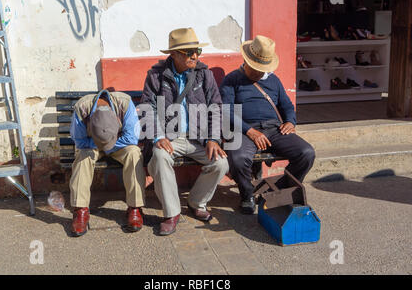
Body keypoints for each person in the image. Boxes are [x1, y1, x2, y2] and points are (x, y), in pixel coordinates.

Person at [141, 27, 229, 236]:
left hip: (198, 138)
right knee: (161, 156)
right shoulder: (156, 75)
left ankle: (197, 201)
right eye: (189, 52)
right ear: (173, 54)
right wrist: (157, 136)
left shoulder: (204, 75)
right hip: (169, 137)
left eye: (197, 50)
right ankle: (171, 213)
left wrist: (213, 138)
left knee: (221, 162)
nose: (195, 56)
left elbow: (215, 107)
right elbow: (147, 108)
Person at [220, 35, 315, 214]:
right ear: (246, 60)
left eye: (262, 69)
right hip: (243, 130)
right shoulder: (231, 80)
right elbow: (226, 111)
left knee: (307, 153)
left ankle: (282, 187)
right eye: (256, 68)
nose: (259, 73)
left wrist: (290, 121)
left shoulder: (273, 80)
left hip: (274, 128)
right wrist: (251, 131)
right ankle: (247, 195)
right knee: (238, 158)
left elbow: (286, 105)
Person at [69, 89, 146, 236]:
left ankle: (135, 207)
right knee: (83, 157)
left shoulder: (125, 103)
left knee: (134, 153)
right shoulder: (82, 107)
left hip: (119, 142)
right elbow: (79, 141)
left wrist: (111, 143)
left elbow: (131, 138)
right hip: (91, 144)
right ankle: (80, 210)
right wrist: (99, 143)